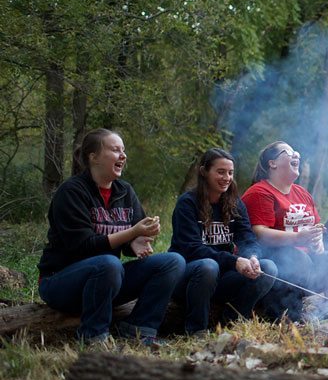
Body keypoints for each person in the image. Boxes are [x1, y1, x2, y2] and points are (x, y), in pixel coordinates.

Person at [37, 129, 185, 344]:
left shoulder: (124, 191)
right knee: (108, 263)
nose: (123, 156)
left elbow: (130, 237)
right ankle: (93, 335)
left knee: (173, 262)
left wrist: (139, 239)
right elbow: (83, 246)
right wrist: (133, 233)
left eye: (123, 151)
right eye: (115, 150)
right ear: (93, 157)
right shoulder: (71, 192)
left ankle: (138, 330)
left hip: (106, 280)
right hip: (61, 282)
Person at [241, 141, 328, 321]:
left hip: (307, 260)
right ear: (272, 163)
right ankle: (289, 317)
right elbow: (259, 233)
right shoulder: (259, 192)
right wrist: (297, 238)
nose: (297, 155)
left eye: (297, 152)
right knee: (297, 259)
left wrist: (317, 242)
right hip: (272, 260)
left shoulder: (302, 193)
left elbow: (315, 228)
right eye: (289, 152)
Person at [169, 148, 277, 334]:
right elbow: (191, 249)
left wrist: (252, 257)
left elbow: (248, 238)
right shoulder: (187, 203)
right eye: (220, 172)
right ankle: (196, 330)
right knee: (208, 266)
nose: (227, 177)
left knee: (268, 268)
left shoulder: (234, 202)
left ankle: (231, 323)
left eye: (230, 173)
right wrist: (234, 261)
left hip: (222, 277)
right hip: (189, 277)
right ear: (204, 171)